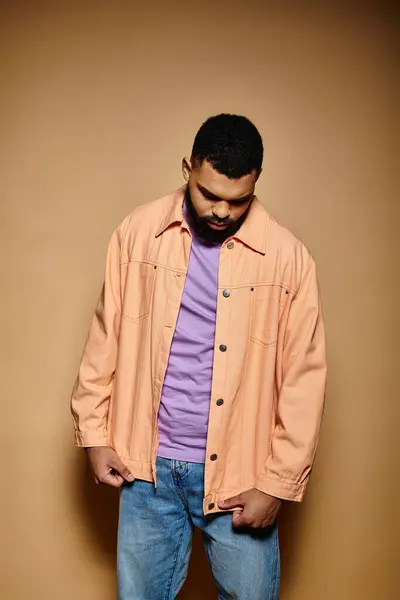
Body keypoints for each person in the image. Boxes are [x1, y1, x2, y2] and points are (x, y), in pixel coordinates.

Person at [71, 113, 327, 599]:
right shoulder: (138, 233)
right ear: (187, 167)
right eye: (208, 194)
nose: (222, 212)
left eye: (238, 200)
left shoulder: (288, 259)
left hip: (239, 473)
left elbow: (304, 379)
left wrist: (278, 483)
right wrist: (94, 432)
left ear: (256, 184)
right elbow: (105, 334)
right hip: (145, 465)